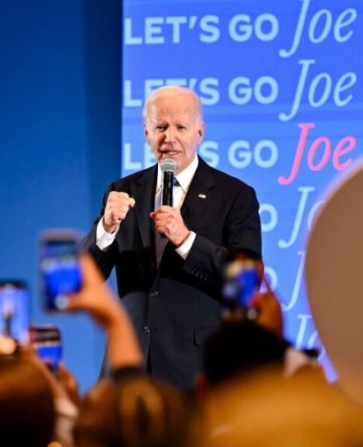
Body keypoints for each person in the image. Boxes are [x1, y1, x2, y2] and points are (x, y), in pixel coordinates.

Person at [84, 85, 262, 389]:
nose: (170, 138)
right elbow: (85, 277)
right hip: (129, 367)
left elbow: (246, 280)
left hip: (195, 369)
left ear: (200, 132)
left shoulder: (234, 196)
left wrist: (186, 240)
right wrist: (106, 229)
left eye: (180, 127)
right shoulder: (122, 192)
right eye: (161, 127)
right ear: (146, 133)